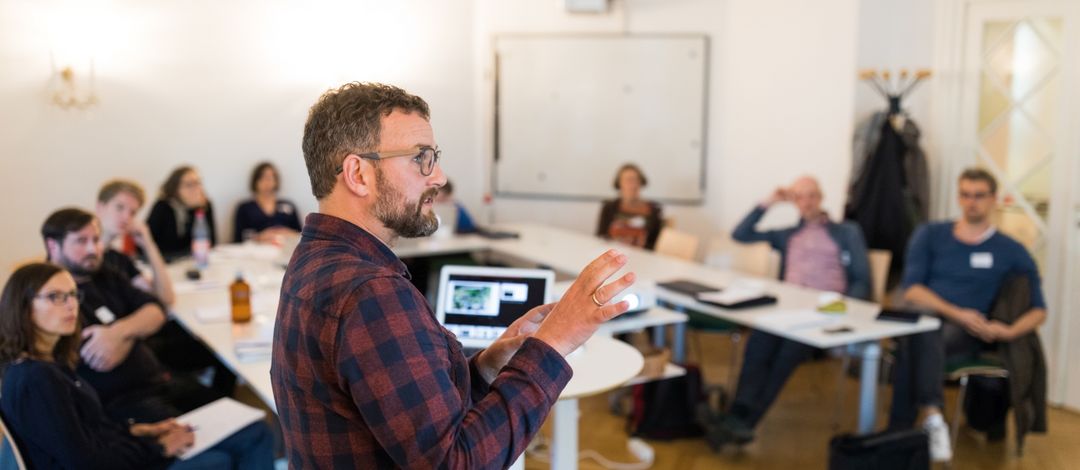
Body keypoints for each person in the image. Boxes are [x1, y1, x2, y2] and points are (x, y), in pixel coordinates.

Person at [271, 82, 636, 468]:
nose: (439, 177)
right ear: (358, 174)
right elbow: (457, 461)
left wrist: (486, 367)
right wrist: (555, 341)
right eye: (420, 158)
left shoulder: (313, 259)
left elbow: (413, 419)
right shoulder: (371, 294)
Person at [0, 262, 275, 469]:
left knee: (253, 431)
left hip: (121, 447)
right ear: (23, 306)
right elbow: (85, 462)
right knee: (226, 455)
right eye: (55, 297)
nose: (71, 305)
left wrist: (140, 431)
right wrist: (157, 447)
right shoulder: (35, 378)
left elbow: (89, 430)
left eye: (72, 295)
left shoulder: (49, 362)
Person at [888, 168, 1047, 462]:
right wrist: (957, 312)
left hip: (968, 333)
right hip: (934, 317)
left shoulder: (1010, 250)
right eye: (965, 195)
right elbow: (912, 290)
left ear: (993, 200)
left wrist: (1008, 332)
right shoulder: (931, 235)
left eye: (978, 196)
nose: (971, 202)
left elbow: (1039, 309)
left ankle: (901, 434)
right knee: (924, 328)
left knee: (915, 342)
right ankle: (933, 415)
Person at [718, 175, 871, 444]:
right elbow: (739, 234)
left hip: (823, 313)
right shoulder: (788, 234)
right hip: (786, 308)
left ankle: (745, 423)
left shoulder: (846, 232)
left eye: (812, 195)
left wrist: (843, 311)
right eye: (799, 197)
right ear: (794, 202)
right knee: (757, 345)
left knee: (786, 353)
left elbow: (862, 280)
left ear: (821, 198)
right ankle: (738, 413)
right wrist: (769, 202)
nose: (807, 202)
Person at [41, 208, 220, 423]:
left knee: (240, 420)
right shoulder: (49, 297)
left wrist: (118, 332)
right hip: (122, 403)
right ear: (52, 246)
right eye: (81, 241)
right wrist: (136, 327)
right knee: (228, 439)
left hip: (157, 381)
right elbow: (100, 358)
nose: (93, 248)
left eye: (96, 239)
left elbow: (156, 309)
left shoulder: (104, 274)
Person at [96, 180, 175, 306]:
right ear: (100, 207)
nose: (126, 217)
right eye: (120, 207)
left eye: (133, 213)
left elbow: (166, 299)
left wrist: (149, 245)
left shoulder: (119, 259)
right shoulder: (77, 256)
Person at [146, 166, 216, 261]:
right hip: (165, 261)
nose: (196, 188)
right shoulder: (163, 207)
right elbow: (151, 244)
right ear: (175, 189)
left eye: (198, 183)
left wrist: (196, 211)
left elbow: (211, 241)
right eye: (189, 185)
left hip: (194, 260)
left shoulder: (204, 205)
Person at [596, 163, 663, 250]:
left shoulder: (654, 210)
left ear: (641, 182)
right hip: (614, 255)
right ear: (619, 184)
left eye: (636, 180)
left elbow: (656, 244)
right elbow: (600, 237)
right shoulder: (608, 207)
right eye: (628, 180)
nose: (633, 185)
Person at [232, 161, 302, 243]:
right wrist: (260, 237)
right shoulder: (245, 208)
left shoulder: (289, 206)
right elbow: (239, 239)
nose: (267, 182)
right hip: (256, 252)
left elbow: (301, 235)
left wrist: (286, 232)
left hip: (284, 251)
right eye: (263, 177)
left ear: (276, 181)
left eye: (271, 177)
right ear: (255, 181)